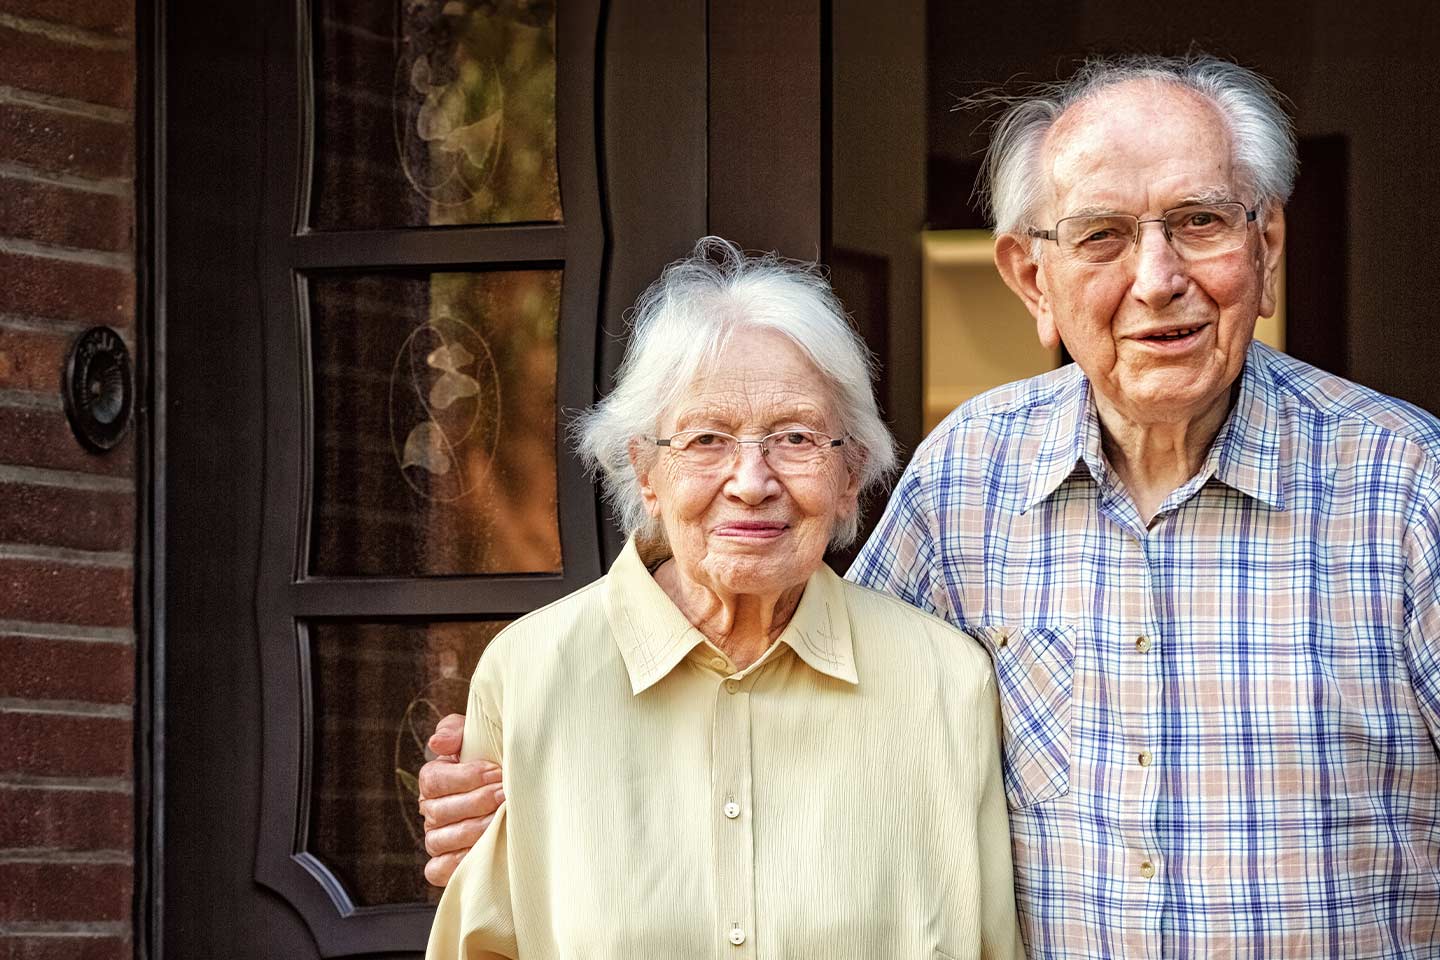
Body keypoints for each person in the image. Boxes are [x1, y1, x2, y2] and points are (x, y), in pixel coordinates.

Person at [421, 55, 1440, 957]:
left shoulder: (1407, 488)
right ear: (1030, 277)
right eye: (1102, 237)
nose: (1157, 278)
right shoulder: (969, 478)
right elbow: (811, 696)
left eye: (1200, 223)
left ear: (1265, 247)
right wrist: (530, 803)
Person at [423, 237, 1023, 959]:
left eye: (796, 438)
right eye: (707, 439)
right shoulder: (531, 677)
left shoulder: (946, 685)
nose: (751, 480)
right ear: (646, 473)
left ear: (850, 478)